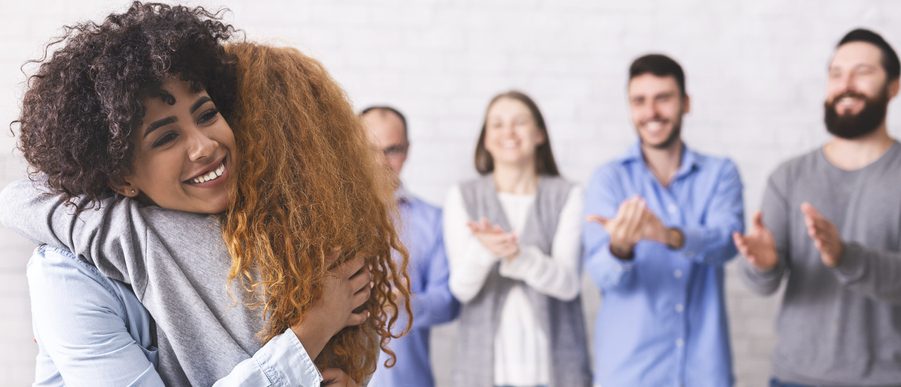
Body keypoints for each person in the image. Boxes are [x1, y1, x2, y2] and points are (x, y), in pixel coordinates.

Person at [1, 3, 408, 385]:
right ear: (121, 177)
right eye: (166, 138)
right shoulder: (70, 272)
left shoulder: (261, 244)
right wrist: (309, 336)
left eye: (207, 115)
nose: (205, 146)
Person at [734, 28, 901, 386]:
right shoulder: (789, 177)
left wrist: (845, 256)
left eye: (862, 72)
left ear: (894, 87)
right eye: (836, 73)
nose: (846, 84)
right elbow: (763, 285)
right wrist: (764, 264)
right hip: (795, 378)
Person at [582, 54, 744, 387]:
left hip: (704, 371)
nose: (651, 112)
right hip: (629, 373)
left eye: (663, 98)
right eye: (639, 101)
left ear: (686, 103)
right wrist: (621, 248)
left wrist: (670, 236)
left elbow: (728, 243)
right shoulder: (609, 179)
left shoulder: (720, 174)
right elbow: (601, 275)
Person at [443, 91, 591, 387]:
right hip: (482, 373)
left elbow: (568, 284)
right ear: (485, 138)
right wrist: (484, 252)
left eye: (519, 122)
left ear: (539, 135)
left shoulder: (568, 195)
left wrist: (516, 256)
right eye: (497, 124)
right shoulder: (463, 195)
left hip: (556, 373)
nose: (508, 132)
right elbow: (461, 289)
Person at [360, 106, 460, 387]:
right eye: (369, 150)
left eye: (392, 150)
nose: (380, 162)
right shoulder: (326, 219)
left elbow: (449, 303)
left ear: (407, 150)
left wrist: (406, 304)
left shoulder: (434, 220)